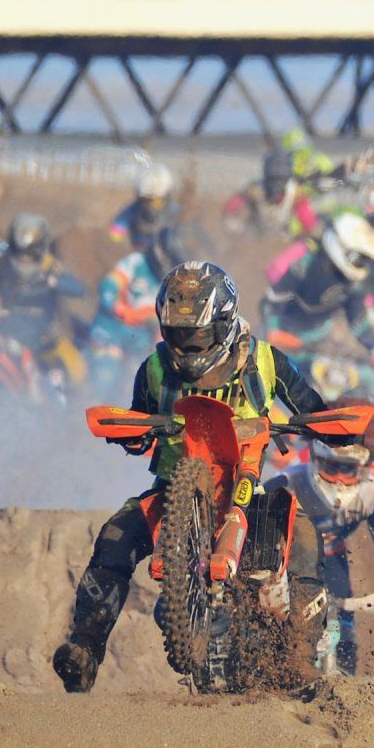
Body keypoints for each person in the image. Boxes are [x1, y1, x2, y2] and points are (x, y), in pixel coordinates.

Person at [53, 262, 329, 692]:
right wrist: (132, 435)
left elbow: (311, 406)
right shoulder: (155, 369)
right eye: (178, 334)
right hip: (174, 491)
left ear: (224, 324)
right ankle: (85, 650)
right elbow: (140, 428)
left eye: (197, 335)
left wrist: (327, 425)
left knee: (307, 539)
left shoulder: (263, 359)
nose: (188, 345)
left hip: (246, 488)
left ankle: (302, 657)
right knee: (114, 538)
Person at [269, 414, 374, 677]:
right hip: (289, 561)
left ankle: (345, 683)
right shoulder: (288, 482)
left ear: (362, 468)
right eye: (331, 469)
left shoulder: (371, 493)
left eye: (349, 470)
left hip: (333, 561)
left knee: (346, 631)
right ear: (315, 461)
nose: (341, 480)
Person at [261, 211, 374, 359]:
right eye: (359, 258)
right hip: (283, 335)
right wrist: (274, 330)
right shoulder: (305, 266)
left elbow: (358, 319)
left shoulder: (352, 284)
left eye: (365, 260)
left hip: (319, 342)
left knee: (368, 380)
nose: (362, 264)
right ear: (342, 245)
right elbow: (273, 301)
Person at [0, 213, 88, 390]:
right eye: (20, 253)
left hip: (44, 337)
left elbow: (79, 289)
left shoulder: (51, 266)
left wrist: (55, 282)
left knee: (73, 374)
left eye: (29, 254)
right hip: (8, 335)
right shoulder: (3, 264)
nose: (24, 260)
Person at [87, 225, 187, 395]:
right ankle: (89, 408)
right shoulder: (135, 262)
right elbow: (108, 288)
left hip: (140, 340)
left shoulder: (175, 281)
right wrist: (122, 311)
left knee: (142, 382)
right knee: (105, 373)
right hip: (111, 329)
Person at [109, 163, 180, 251]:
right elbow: (122, 221)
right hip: (142, 248)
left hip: (166, 250)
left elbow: (182, 225)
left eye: (157, 200)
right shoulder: (136, 208)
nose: (152, 206)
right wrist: (117, 231)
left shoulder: (173, 209)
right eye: (149, 200)